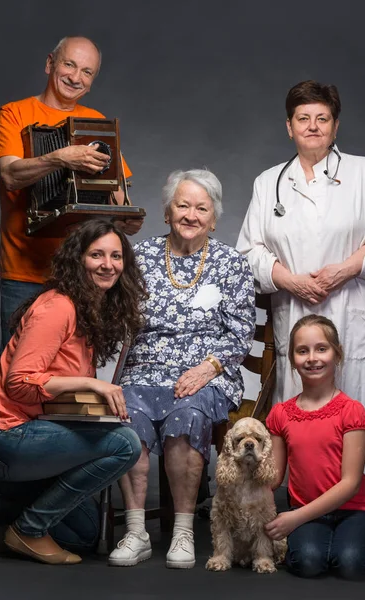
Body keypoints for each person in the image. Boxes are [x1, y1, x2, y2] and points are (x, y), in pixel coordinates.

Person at [0, 220, 147, 565]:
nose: (108, 264)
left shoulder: (88, 309)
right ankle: (28, 530)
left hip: (31, 436)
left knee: (83, 534)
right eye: (96, 254)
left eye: (116, 256)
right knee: (125, 443)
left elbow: (56, 395)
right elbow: (19, 383)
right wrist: (90, 383)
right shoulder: (58, 307)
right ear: (77, 259)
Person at [236, 80, 365, 487]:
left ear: (335, 125)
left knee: (358, 402)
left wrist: (342, 270)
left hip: (354, 309)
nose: (313, 126)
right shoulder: (268, 182)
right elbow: (248, 253)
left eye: (322, 118)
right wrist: (291, 279)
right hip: (296, 309)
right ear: (289, 126)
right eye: (303, 118)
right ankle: (304, 499)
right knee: (303, 407)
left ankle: (360, 506)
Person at [107, 169, 256, 569]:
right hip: (144, 366)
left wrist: (207, 369)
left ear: (214, 217)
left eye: (201, 208)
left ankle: (184, 531)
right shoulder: (140, 258)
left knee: (187, 415)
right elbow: (115, 312)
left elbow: (240, 333)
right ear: (168, 211)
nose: (191, 214)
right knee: (127, 414)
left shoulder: (231, 263)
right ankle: (136, 532)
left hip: (207, 369)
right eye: (183, 205)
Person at [0, 35, 143, 349]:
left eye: (87, 72)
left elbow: (116, 188)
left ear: (92, 80)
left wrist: (124, 216)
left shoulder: (96, 122)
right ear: (50, 64)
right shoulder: (14, 113)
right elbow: (10, 175)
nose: (76, 77)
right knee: (19, 369)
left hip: (81, 274)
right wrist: (60, 157)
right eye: (70, 64)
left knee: (75, 367)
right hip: (25, 270)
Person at [265, 314, 365, 579]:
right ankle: (326, 540)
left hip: (353, 510)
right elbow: (274, 478)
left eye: (321, 348)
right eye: (302, 351)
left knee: (350, 563)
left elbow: (350, 483)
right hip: (307, 512)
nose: (312, 358)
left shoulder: (351, 411)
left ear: (336, 354)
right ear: (293, 360)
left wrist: (294, 519)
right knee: (307, 563)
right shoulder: (281, 414)